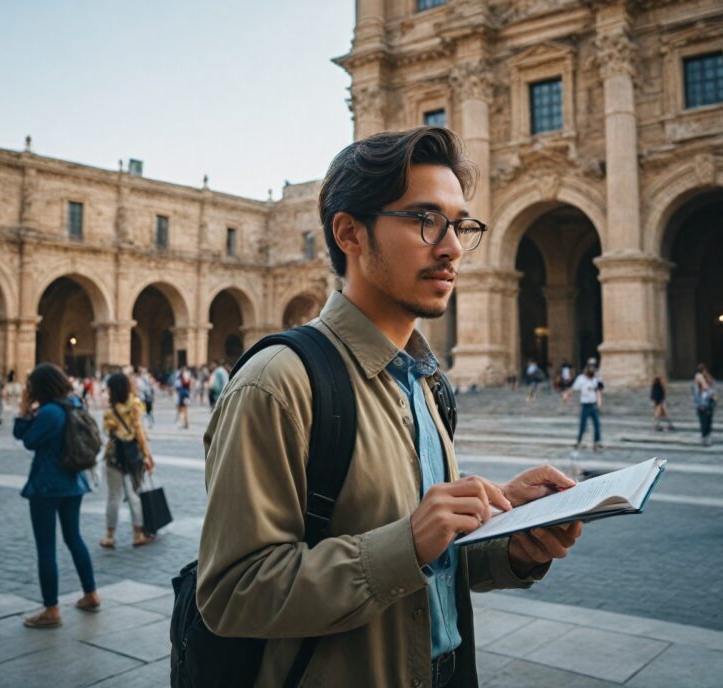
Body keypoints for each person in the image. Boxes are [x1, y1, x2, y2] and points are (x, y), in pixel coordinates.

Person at [197, 127, 582, 686]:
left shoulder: (424, 381)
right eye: (426, 220)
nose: (450, 246)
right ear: (349, 232)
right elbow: (232, 595)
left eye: (461, 225)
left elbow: (429, 563)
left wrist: (512, 539)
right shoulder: (277, 384)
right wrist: (406, 543)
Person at [13, 363, 100, 627]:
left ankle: (51, 610)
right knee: (74, 538)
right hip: (74, 482)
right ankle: (91, 593)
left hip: (47, 485)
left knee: (46, 547)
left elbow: (26, 438)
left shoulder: (50, 412)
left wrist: (23, 409)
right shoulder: (75, 403)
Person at [100, 372, 155, 548]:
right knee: (134, 495)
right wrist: (147, 455)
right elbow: (140, 432)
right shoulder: (135, 405)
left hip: (114, 455)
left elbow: (108, 432)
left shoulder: (109, 410)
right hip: (133, 456)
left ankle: (109, 536)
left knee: (113, 497)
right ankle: (137, 534)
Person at [573, 363, 603, 451]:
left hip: (593, 405)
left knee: (597, 424)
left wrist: (599, 403)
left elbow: (599, 391)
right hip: (585, 405)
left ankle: (597, 443)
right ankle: (578, 441)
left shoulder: (595, 379)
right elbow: (575, 388)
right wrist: (567, 395)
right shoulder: (581, 379)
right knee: (582, 425)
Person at [692, 363, 716, 446]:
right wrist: (701, 404)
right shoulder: (697, 380)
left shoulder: (707, 379)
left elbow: (711, 388)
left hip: (709, 404)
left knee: (708, 421)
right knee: (704, 422)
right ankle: (704, 437)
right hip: (702, 405)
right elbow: (696, 395)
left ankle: (707, 437)